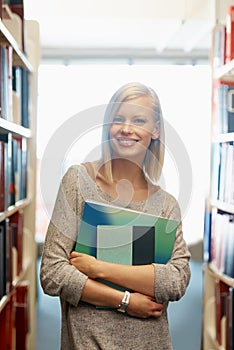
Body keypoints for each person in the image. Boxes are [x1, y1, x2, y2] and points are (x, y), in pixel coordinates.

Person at [40, 82, 191, 349]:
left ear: (155, 130)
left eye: (139, 120)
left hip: (150, 342)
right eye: (118, 119)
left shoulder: (166, 205)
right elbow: (53, 273)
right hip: (89, 342)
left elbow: (176, 280)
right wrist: (126, 302)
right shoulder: (79, 182)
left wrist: (99, 269)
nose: (126, 128)